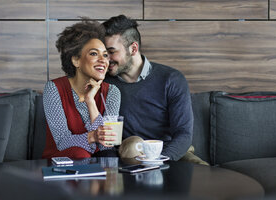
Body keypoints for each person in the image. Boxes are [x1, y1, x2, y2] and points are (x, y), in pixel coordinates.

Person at [102, 15, 193, 161]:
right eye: (104, 53)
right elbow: (105, 142)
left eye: (111, 52)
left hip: (169, 154)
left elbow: (183, 134)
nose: (106, 59)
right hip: (127, 157)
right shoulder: (103, 85)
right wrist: (113, 166)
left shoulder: (171, 79)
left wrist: (158, 162)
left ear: (133, 48)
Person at [42, 18, 121, 159]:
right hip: (63, 162)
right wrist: (93, 136)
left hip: (98, 163)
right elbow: (62, 142)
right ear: (76, 60)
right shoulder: (54, 89)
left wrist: (90, 101)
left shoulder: (112, 92)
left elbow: (106, 145)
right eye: (93, 53)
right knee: (81, 153)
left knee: (110, 156)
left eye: (105, 55)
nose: (103, 60)